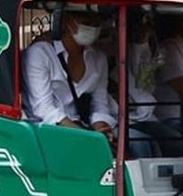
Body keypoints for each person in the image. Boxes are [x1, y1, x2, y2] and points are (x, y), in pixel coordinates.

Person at [21, 10, 116, 143]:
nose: (92, 29)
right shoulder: (40, 53)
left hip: (81, 128)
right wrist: (85, 135)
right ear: (67, 22)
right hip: (45, 132)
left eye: (96, 24)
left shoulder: (98, 59)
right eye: (86, 23)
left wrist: (101, 130)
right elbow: (43, 109)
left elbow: (100, 104)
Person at [121, 10, 183, 158]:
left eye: (149, 24)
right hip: (120, 117)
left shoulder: (149, 50)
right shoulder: (112, 52)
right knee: (143, 146)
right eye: (140, 24)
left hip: (145, 116)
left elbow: (143, 84)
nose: (145, 29)